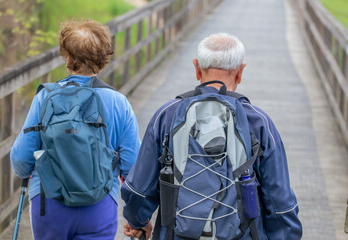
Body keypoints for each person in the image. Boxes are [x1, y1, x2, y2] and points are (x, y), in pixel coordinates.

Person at [121, 33, 302, 239]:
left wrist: (137, 221)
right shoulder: (259, 122)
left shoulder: (167, 116)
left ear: (197, 68)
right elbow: (280, 201)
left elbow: (139, 189)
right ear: (240, 72)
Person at [10, 20, 140, 240]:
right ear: (103, 58)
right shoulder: (119, 103)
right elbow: (132, 167)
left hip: (49, 204)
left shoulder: (45, 97)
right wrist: (138, 216)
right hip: (99, 204)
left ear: (67, 56)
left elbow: (21, 160)